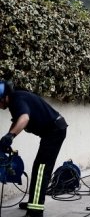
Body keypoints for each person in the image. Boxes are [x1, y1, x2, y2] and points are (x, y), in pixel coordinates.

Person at [0, 81, 68, 217]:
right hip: (53, 130)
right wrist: (7, 139)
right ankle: (33, 202)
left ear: (3, 97)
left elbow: (24, 118)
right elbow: (17, 120)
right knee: (39, 168)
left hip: (55, 131)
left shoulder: (16, 100)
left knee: (41, 170)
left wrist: (11, 135)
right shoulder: (17, 99)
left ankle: (35, 211)